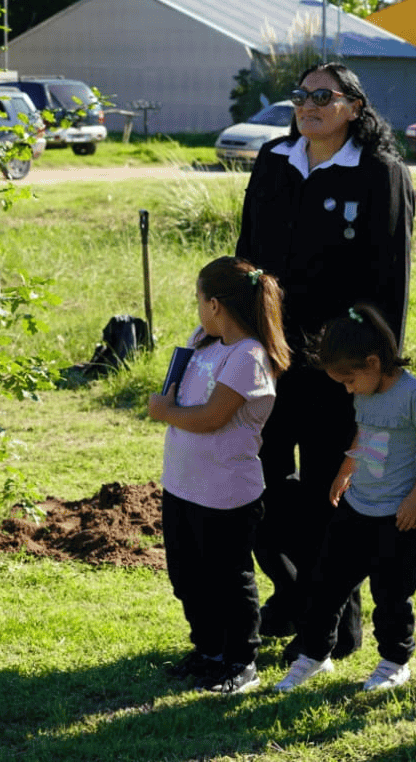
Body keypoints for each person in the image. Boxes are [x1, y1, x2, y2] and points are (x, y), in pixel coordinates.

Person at [235, 62, 415, 658]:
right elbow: (246, 260)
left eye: (324, 96)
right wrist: (237, 333)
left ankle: (334, 623)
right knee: (252, 482)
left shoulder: (379, 174)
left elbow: (390, 284)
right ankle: (292, 593)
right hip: (266, 358)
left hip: (335, 369)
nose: (309, 105)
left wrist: (374, 370)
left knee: (326, 493)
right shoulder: (272, 162)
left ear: (354, 108)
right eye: (302, 95)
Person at [274, 303, 416, 694]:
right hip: (357, 509)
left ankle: (394, 662)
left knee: (391, 595)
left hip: (400, 517)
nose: (347, 389)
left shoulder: (413, 394)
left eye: (349, 380)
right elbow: (365, 433)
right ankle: (315, 655)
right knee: (324, 583)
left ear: (372, 362)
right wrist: (344, 471)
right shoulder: (365, 392)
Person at [148, 255, 292, 695]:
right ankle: (209, 650)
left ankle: (240, 661)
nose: (197, 311)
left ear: (214, 304)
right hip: (182, 486)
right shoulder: (205, 342)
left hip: (226, 495)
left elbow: (213, 418)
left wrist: (164, 412)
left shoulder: (249, 356)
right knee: (187, 575)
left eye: (198, 301)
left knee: (228, 579)